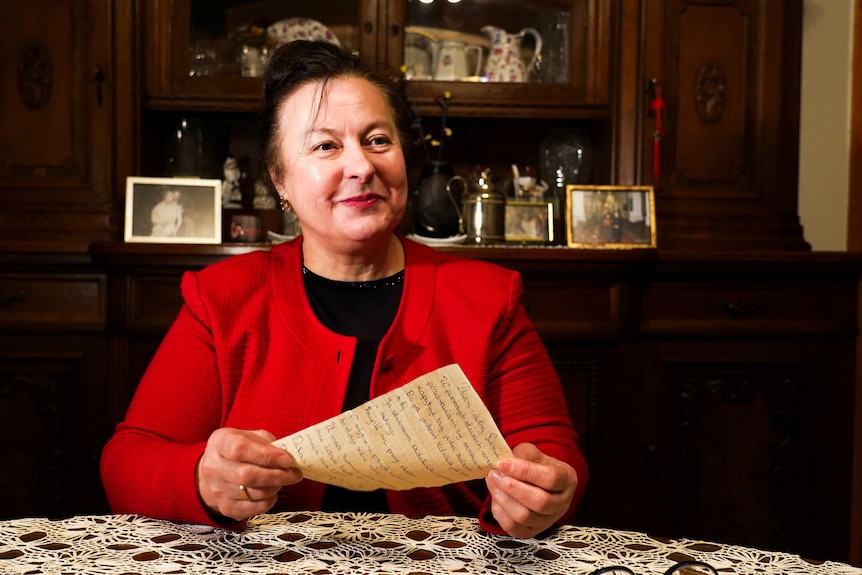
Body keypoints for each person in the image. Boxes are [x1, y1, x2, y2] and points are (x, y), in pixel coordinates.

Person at [100, 40, 588, 539]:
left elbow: (551, 450)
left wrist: (544, 489)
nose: (362, 166)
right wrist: (203, 478)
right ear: (280, 180)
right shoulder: (222, 298)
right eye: (325, 146)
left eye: (378, 140)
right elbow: (128, 461)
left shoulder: (487, 297)